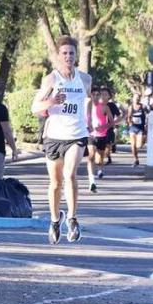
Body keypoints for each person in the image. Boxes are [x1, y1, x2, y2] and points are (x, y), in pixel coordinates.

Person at [31, 35, 93, 244]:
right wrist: (51, 101)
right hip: (54, 136)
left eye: (71, 53)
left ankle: (73, 219)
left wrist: (89, 121)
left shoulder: (85, 79)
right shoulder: (51, 79)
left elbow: (86, 102)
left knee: (70, 174)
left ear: (76, 56)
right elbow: (35, 108)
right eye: (64, 53)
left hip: (76, 134)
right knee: (56, 183)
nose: (68, 56)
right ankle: (55, 220)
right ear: (58, 56)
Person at [86, 88, 114, 192]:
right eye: (94, 94)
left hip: (102, 135)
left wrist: (102, 127)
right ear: (91, 95)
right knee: (91, 157)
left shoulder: (105, 107)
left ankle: (100, 169)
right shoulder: (88, 104)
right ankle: (92, 181)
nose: (96, 96)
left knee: (100, 159)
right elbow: (88, 118)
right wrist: (89, 126)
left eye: (98, 95)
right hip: (91, 134)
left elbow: (112, 122)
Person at [102, 87, 122, 165]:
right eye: (102, 94)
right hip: (99, 129)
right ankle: (106, 158)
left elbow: (119, 115)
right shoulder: (96, 105)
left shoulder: (112, 105)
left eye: (105, 94)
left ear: (109, 96)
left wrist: (115, 122)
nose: (103, 96)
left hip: (109, 129)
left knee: (107, 146)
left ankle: (107, 157)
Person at [127, 94, 148, 167]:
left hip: (140, 128)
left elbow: (148, 114)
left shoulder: (143, 107)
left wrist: (146, 125)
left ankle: (143, 141)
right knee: (133, 146)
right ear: (133, 98)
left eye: (138, 98)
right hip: (133, 127)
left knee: (138, 145)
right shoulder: (131, 107)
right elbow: (129, 117)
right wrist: (130, 123)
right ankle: (136, 160)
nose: (136, 99)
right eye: (135, 98)